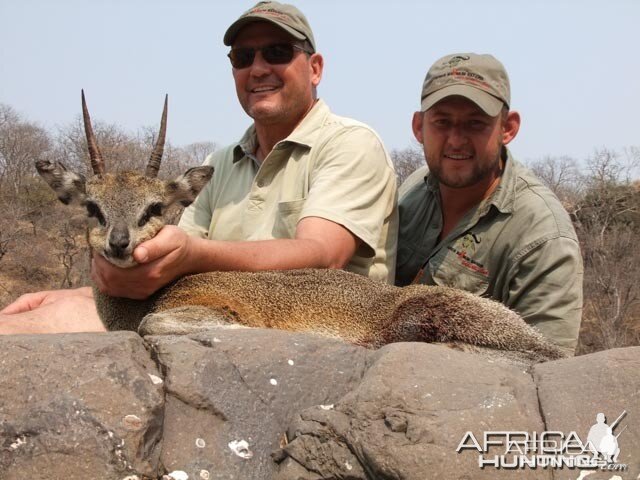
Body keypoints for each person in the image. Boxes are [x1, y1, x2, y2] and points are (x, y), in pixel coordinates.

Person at [0, 1, 397, 334]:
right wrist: (89, 292)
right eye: (243, 57)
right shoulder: (218, 165)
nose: (257, 69)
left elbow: (322, 255)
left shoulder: (350, 143)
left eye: (276, 52)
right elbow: (166, 273)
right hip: (213, 322)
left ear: (314, 68)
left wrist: (191, 253)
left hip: (327, 330)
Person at [395, 53, 583, 355]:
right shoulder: (411, 189)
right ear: (419, 127)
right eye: (442, 122)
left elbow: (549, 363)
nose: (456, 140)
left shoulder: (544, 236)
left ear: (507, 128)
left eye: (475, 124)